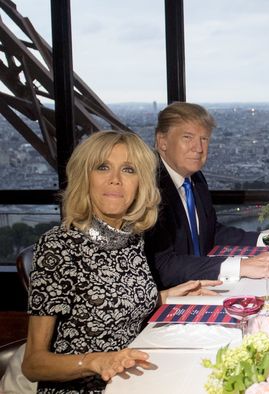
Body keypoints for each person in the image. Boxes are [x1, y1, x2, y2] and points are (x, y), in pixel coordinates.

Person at [21, 131, 221, 393]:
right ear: (85, 177)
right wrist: (96, 361)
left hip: (132, 378)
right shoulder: (59, 246)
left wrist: (167, 296)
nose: (115, 180)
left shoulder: (132, 237)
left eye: (128, 170)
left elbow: (115, 304)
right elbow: (34, 363)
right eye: (103, 167)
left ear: (141, 183)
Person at [144, 102, 269, 289]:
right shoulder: (149, 188)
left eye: (204, 139)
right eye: (187, 137)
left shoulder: (195, 179)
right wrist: (241, 266)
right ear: (162, 141)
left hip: (201, 283)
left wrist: (268, 238)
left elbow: (211, 233)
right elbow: (164, 267)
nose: (198, 148)